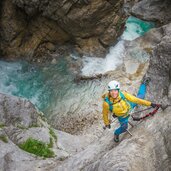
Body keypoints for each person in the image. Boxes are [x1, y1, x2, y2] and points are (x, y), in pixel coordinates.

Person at [102, 78, 158, 142]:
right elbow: (105, 114)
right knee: (124, 128)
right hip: (122, 117)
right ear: (109, 91)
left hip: (129, 106)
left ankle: (144, 84)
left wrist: (150, 104)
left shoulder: (122, 94)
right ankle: (116, 133)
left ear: (118, 90)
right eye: (111, 91)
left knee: (141, 96)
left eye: (115, 90)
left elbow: (136, 100)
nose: (113, 93)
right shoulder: (106, 103)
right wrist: (106, 123)